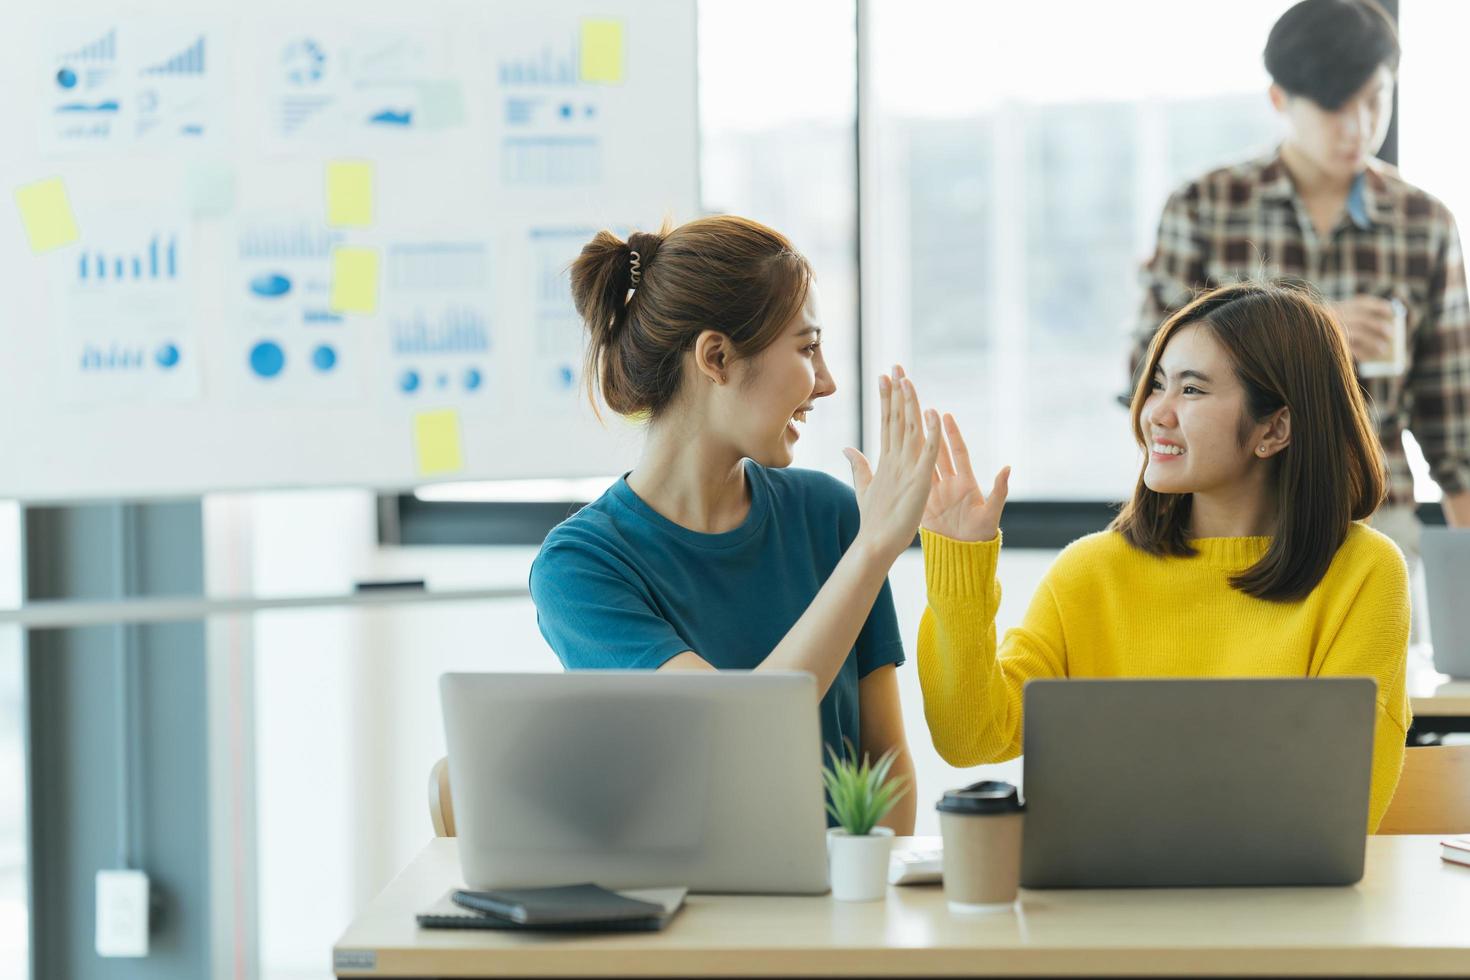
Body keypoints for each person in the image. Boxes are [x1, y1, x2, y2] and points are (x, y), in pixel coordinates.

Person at [926, 281, 1410, 830]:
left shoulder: (1363, 572)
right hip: (1100, 904)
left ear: (1275, 428)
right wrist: (959, 565)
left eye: (1193, 390)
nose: (1156, 412)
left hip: (1279, 908)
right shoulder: (1090, 572)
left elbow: (1338, 805)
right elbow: (972, 737)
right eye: (1157, 384)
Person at [530, 215, 943, 833]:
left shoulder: (830, 515)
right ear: (716, 357)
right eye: (807, 349)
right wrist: (873, 550)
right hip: (686, 915)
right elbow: (738, 728)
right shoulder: (581, 568)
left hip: (841, 911)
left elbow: (882, 761)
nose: (826, 382)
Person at [1131, 0, 1470, 598]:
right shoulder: (1207, 207)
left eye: (1374, 99)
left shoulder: (1425, 222)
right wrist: (1312, 330)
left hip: (1372, 516)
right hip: (1230, 519)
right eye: (1334, 105)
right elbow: (1144, 369)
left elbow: (1451, 417)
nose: (1358, 127)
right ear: (1280, 100)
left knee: (1367, 692)